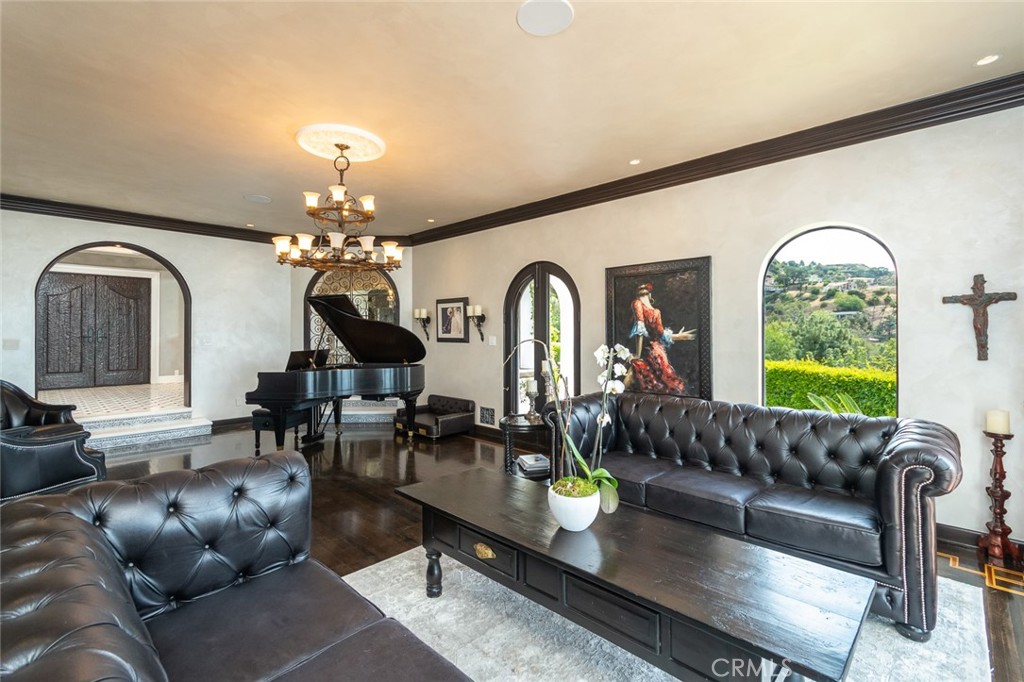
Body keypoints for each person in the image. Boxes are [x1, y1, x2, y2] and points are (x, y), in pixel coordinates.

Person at [627, 282, 695, 396]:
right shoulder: (656, 312)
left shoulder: (637, 303)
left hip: (648, 352)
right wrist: (678, 336)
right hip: (658, 353)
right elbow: (661, 335)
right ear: (650, 295)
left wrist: (637, 354)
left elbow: (640, 330)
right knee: (663, 383)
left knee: (651, 382)